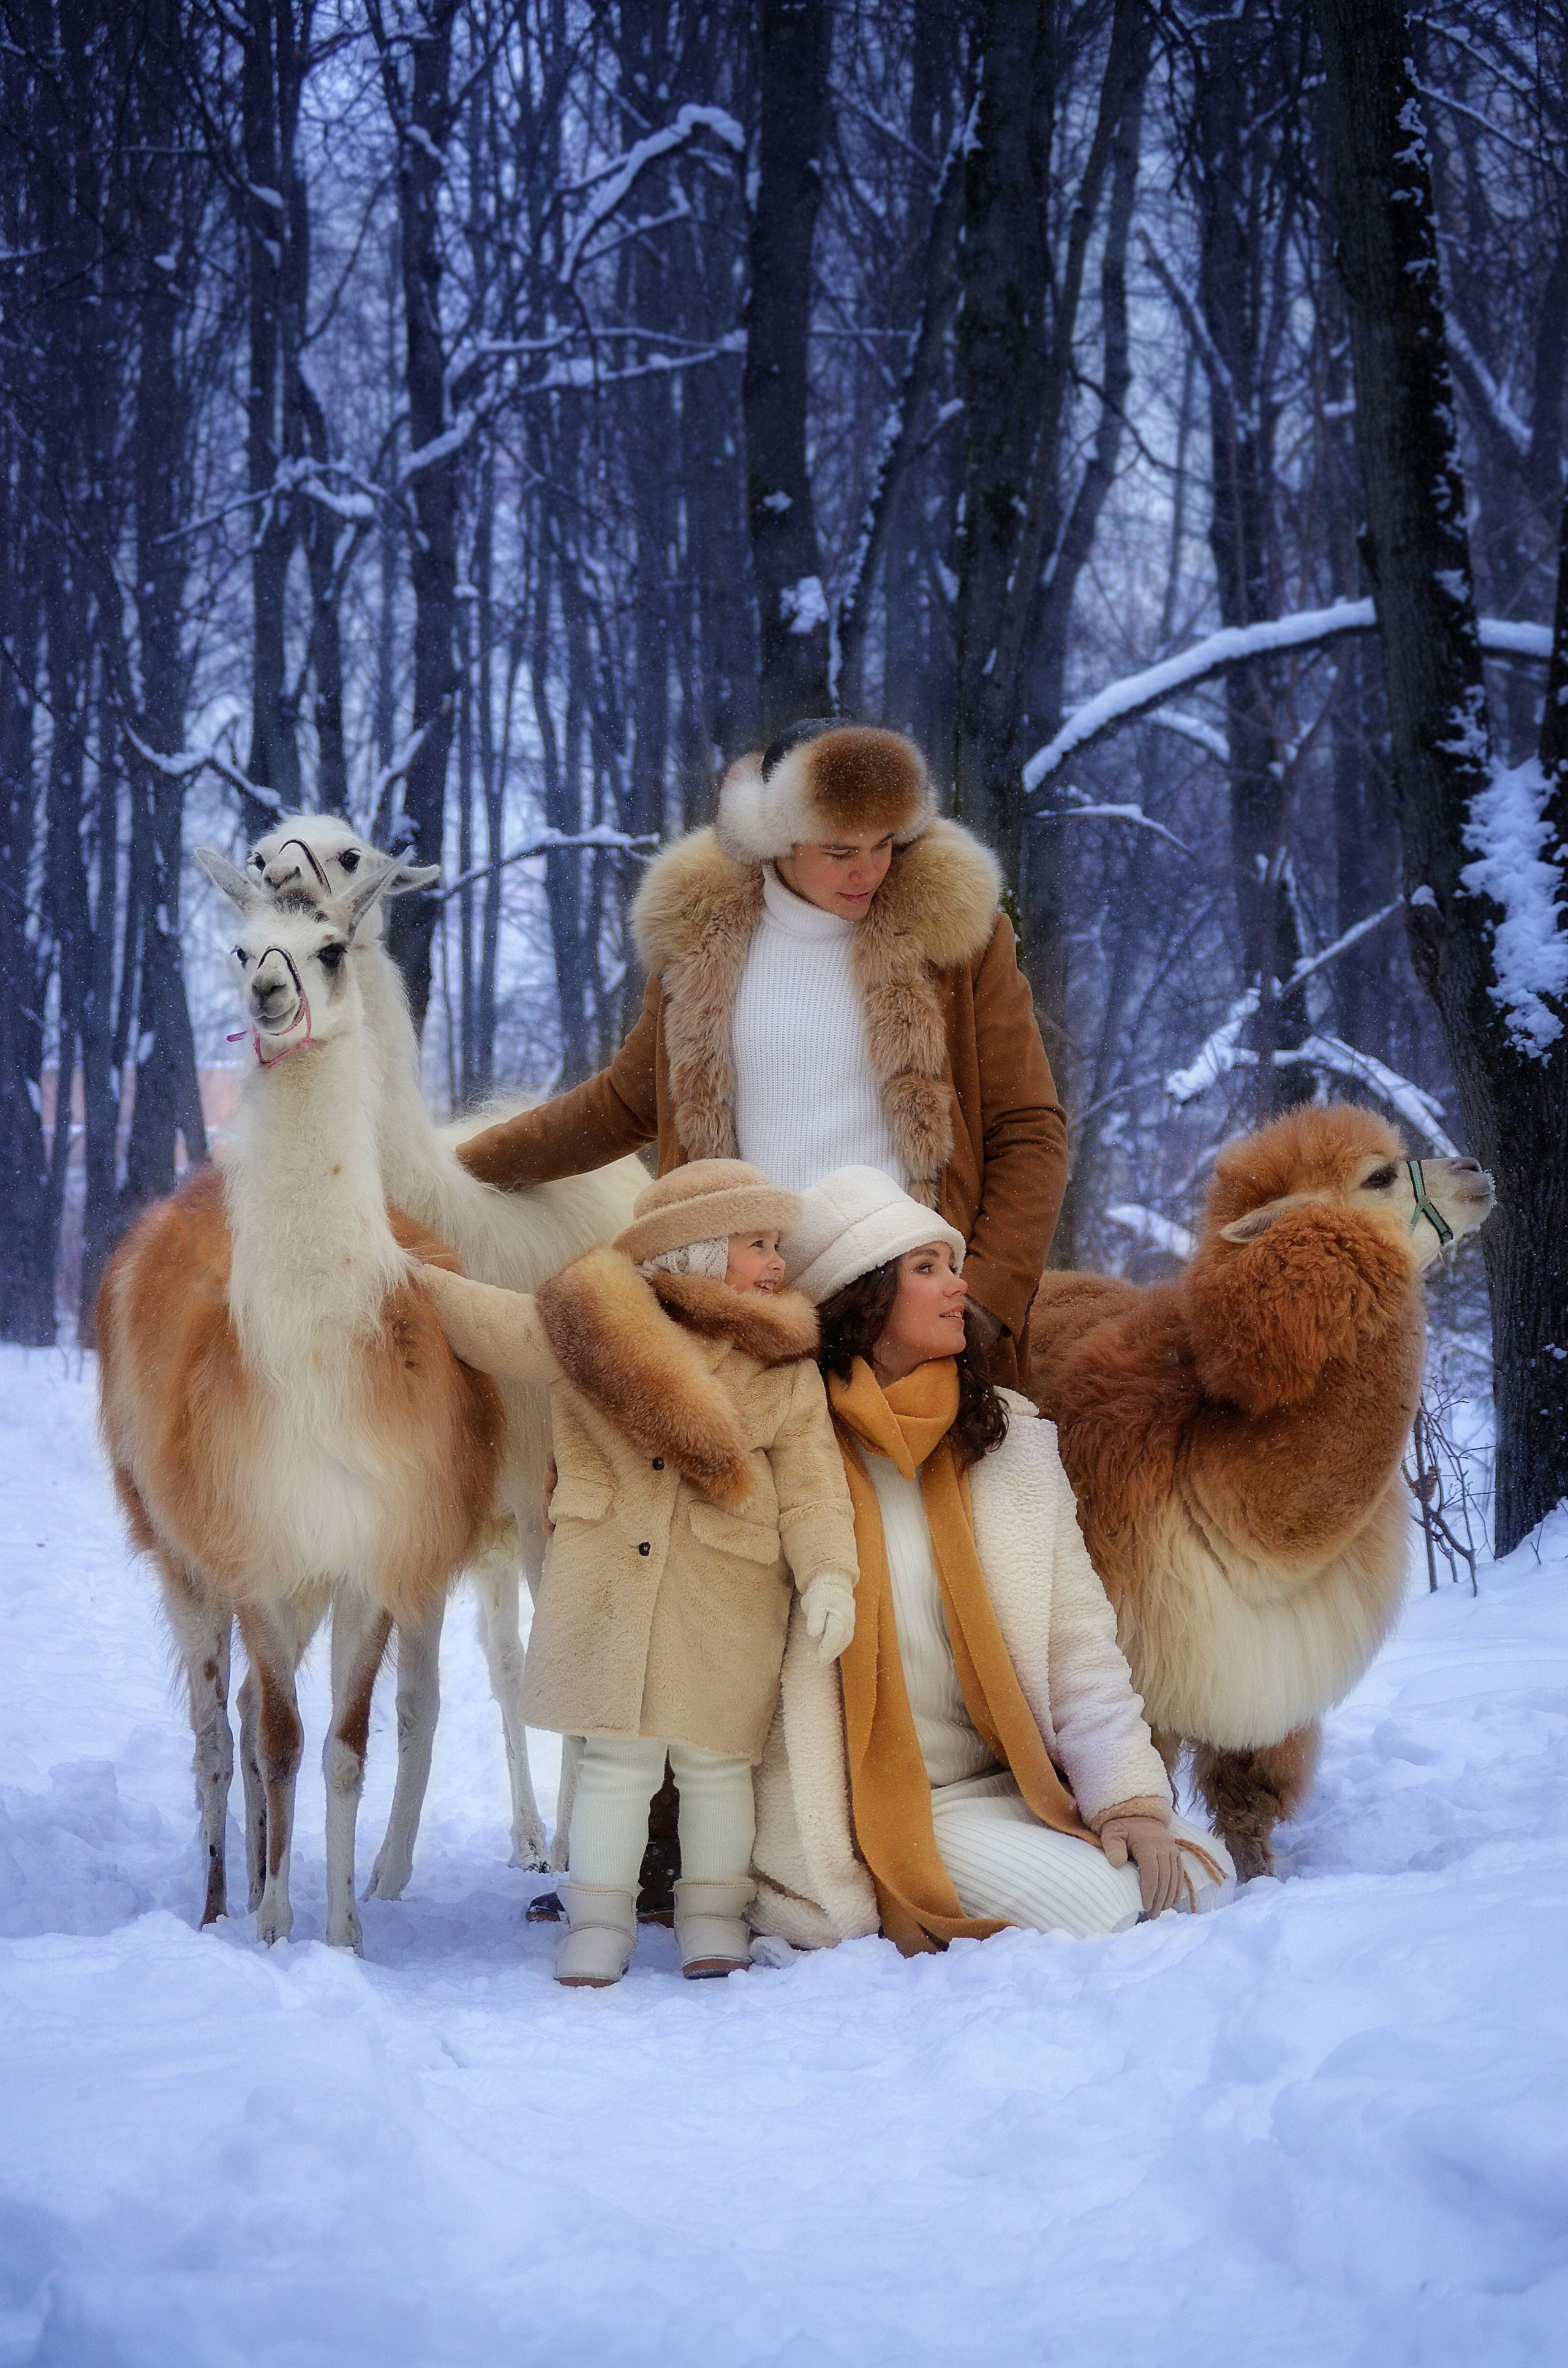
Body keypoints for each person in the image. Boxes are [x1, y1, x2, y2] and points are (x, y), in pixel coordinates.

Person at [453, 721, 1068, 1394]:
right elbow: (625, 1102)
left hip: (910, 1322)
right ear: (776, 838)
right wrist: (454, 1171)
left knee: (920, 1506)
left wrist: (981, 1304)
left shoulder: (957, 940)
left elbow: (1029, 1133)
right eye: (839, 851)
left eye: (884, 843)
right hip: (746, 1317)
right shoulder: (704, 941)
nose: (868, 870)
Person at [748, 1168, 1234, 1953]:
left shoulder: (1005, 1439)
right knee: (1115, 1919)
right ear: (859, 1296)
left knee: (1203, 1878)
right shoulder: (789, 1452)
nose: (957, 1285)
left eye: (952, 1264)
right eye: (926, 1268)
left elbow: (1079, 1646)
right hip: (893, 1802)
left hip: (1018, 1781)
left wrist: (1130, 1800)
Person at [417, 1160, 859, 1988]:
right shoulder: (595, 1330)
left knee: (714, 1768)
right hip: (611, 1587)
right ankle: (598, 1918)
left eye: (777, 1245)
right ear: (694, 1249)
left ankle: (712, 1916)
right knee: (616, 1765)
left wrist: (831, 1572)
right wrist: (418, 1280)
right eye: (756, 1243)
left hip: (723, 1594)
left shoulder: (782, 1363)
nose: (775, 1263)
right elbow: (499, 1325)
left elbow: (814, 1488)